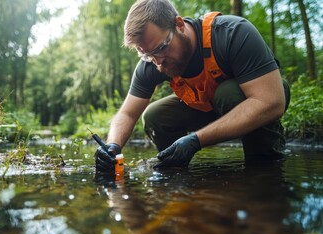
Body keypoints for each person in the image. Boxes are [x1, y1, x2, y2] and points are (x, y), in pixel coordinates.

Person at [94, 0, 290, 172]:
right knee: (155, 115)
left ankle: (265, 166)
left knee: (228, 94)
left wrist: (196, 140)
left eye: (162, 48)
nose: (158, 62)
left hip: (259, 99)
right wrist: (112, 146)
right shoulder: (153, 60)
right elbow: (127, 113)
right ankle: (177, 171)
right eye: (147, 55)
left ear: (179, 25)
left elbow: (271, 101)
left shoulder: (232, 33)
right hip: (208, 108)